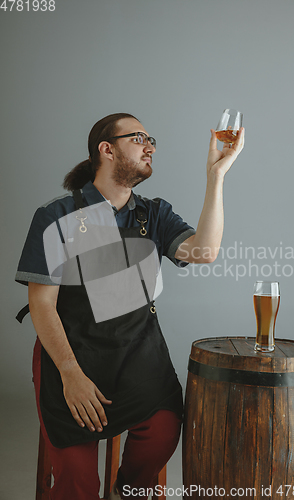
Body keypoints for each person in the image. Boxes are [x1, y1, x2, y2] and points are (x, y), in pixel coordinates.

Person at [15, 112, 244, 500]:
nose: (150, 145)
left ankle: (128, 490)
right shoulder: (56, 216)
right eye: (138, 138)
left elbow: (204, 252)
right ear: (106, 149)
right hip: (71, 359)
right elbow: (41, 305)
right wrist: (71, 374)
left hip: (139, 355)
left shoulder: (153, 213)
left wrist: (216, 177)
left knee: (163, 432)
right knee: (78, 485)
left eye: (150, 138)